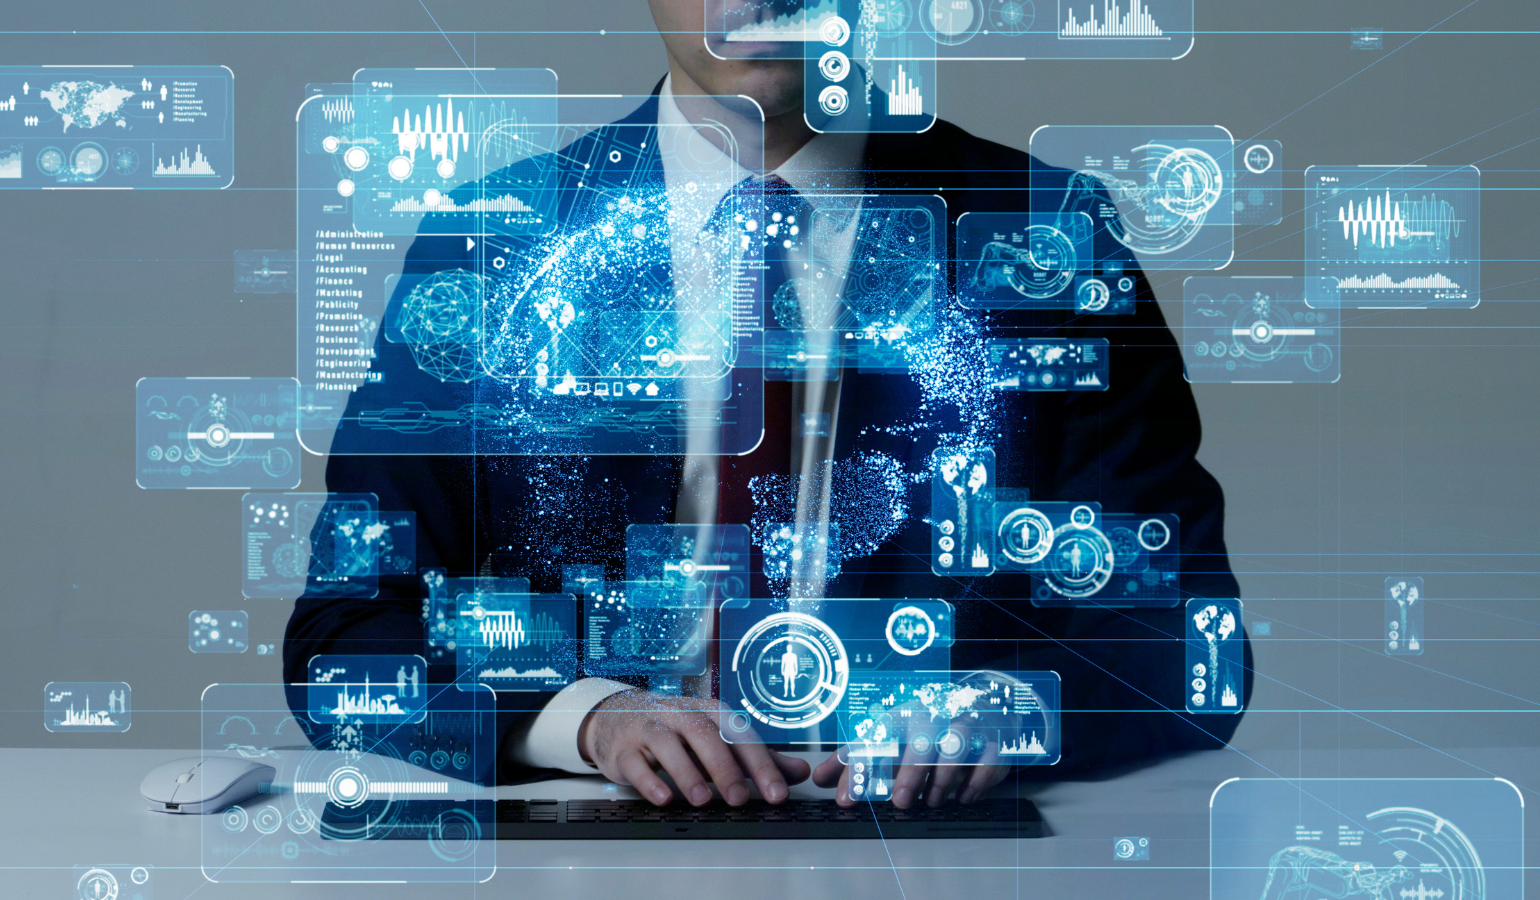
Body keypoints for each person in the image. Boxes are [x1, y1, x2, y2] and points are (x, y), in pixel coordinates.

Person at [286, 0, 1252, 811]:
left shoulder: (1046, 236)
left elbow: (1188, 638)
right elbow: (342, 639)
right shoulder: (491, 245)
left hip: (917, 838)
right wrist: (585, 718)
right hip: (596, 833)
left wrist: (1013, 702)